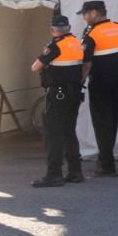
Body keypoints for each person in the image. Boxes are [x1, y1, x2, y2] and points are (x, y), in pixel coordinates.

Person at [30, 11, 85, 188]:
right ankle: (75, 171)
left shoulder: (54, 46)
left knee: (53, 133)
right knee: (69, 131)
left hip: (58, 93)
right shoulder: (77, 43)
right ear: (68, 28)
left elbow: (35, 67)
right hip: (74, 93)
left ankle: (54, 174)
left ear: (52, 30)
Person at [79, 0, 118, 177]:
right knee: (112, 121)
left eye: (85, 14)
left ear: (94, 13)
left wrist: (78, 84)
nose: (84, 18)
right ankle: (105, 159)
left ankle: (107, 166)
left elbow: (86, 64)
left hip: (101, 83)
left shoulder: (92, 34)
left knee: (102, 123)